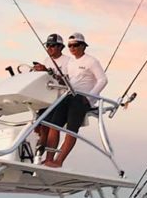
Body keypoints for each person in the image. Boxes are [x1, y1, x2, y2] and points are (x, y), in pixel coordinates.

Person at [44, 32, 108, 168]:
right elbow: (69, 80)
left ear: (83, 46)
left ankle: (59, 161)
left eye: (75, 45)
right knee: (53, 126)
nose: (72, 48)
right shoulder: (71, 62)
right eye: (70, 46)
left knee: (71, 130)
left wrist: (89, 98)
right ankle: (48, 159)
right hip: (67, 96)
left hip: (81, 99)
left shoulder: (92, 61)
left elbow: (103, 80)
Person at [31, 33, 70, 160]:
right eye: (48, 45)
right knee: (39, 127)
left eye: (52, 46)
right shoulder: (47, 60)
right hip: (46, 98)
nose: (49, 48)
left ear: (60, 47)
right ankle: (37, 156)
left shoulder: (68, 61)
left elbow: (67, 82)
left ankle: (48, 158)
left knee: (50, 128)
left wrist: (48, 72)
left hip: (59, 99)